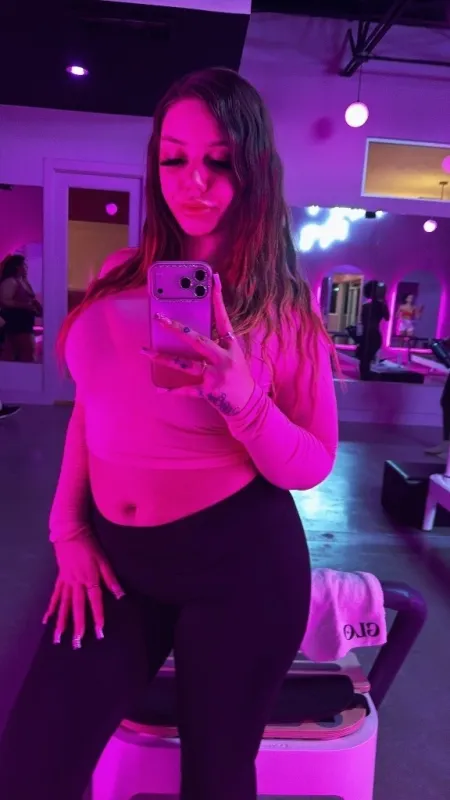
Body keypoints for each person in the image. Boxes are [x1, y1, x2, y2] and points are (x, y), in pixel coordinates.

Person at [0, 68, 338, 800]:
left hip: (240, 565)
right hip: (115, 562)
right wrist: (68, 530)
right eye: (174, 158)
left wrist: (244, 400)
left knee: (216, 780)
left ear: (254, 168)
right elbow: (91, 408)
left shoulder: (285, 307)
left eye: (220, 161)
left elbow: (312, 463)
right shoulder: (122, 272)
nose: (195, 182)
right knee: (30, 766)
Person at [0, 253, 42, 362]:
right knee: (27, 352)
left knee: (25, 352)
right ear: (17, 267)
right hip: (17, 324)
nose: (26, 268)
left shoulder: (23, 282)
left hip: (25, 324)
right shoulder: (10, 281)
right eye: (24, 265)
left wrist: (35, 306)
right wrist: (24, 305)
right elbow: (5, 300)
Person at [357, 280, 390, 380]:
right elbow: (387, 317)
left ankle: (364, 374)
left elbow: (363, 321)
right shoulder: (380, 306)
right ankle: (365, 374)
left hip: (369, 334)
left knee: (365, 357)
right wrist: (384, 302)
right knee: (367, 356)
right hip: (373, 334)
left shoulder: (367, 306)